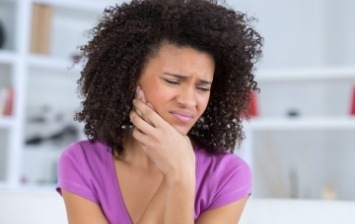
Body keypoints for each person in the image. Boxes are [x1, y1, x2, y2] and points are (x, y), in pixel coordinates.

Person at [56, 0, 263, 223]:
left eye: (202, 88)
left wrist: (180, 177)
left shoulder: (228, 174)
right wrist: (176, 173)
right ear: (131, 78)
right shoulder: (82, 162)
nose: (188, 101)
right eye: (173, 81)